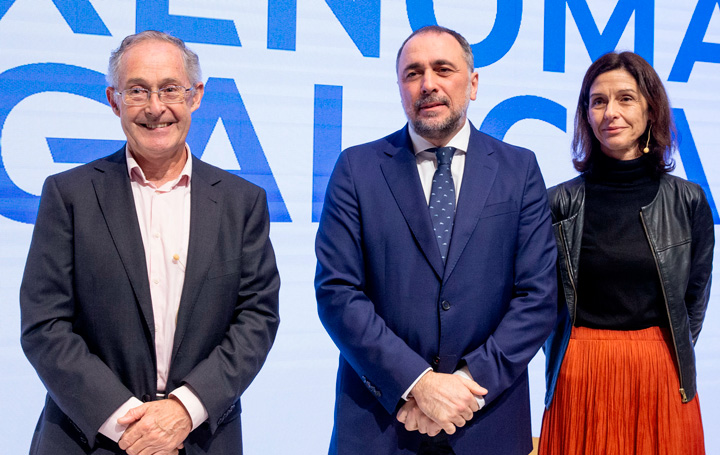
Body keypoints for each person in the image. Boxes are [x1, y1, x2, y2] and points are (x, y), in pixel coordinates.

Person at [20, 30, 280, 455]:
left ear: (195, 96)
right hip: (89, 439)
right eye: (138, 90)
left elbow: (257, 318)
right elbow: (44, 326)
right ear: (113, 100)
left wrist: (183, 410)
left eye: (170, 89)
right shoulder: (68, 195)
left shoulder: (242, 202)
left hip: (201, 437)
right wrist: (130, 425)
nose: (156, 108)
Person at [315, 25, 557, 455]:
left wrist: (464, 387)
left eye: (443, 69)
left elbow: (537, 297)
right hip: (380, 424)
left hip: (486, 422)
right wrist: (417, 384)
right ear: (400, 88)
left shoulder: (520, 171)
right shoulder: (357, 168)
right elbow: (338, 292)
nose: (428, 84)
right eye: (413, 73)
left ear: (474, 83)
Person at [539, 51, 714, 455]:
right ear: (586, 114)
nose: (610, 112)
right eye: (598, 101)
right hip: (579, 375)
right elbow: (542, 303)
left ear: (651, 109)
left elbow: (693, 303)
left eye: (625, 98)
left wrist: (659, 359)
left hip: (662, 375)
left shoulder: (688, 201)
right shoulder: (558, 203)